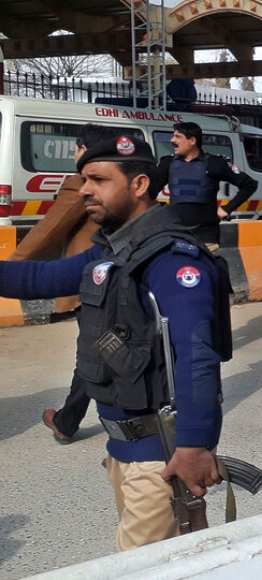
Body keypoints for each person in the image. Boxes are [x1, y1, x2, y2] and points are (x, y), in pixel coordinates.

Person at [0, 132, 232, 549]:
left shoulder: (171, 258)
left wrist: (195, 444)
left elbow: (197, 355)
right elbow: (40, 278)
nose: (84, 190)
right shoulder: (115, 251)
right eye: (84, 179)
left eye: (98, 180)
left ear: (139, 184)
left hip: (161, 458)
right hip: (123, 452)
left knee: (136, 567)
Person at [14, 124, 114, 443]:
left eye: (75, 149)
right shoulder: (122, 178)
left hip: (89, 281)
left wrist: (11, 268)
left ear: (83, 150)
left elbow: (48, 229)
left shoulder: (82, 182)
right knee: (108, 348)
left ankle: (67, 421)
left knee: (94, 353)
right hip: (122, 278)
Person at [153, 122, 258, 250]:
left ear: (192, 141)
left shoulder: (214, 164)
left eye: (177, 136)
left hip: (206, 238)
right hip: (176, 236)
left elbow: (249, 185)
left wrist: (227, 209)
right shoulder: (168, 164)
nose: (172, 140)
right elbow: (150, 191)